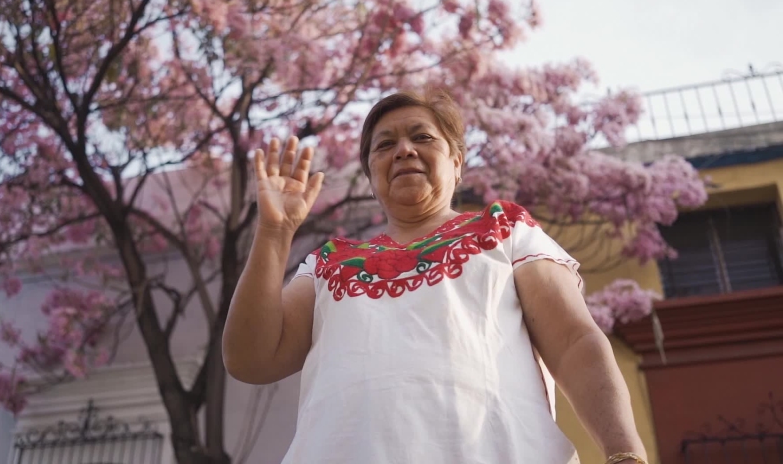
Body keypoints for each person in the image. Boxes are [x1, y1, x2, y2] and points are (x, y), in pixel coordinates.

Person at [223, 89, 648, 464]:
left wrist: (625, 454)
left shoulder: (505, 230)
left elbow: (576, 342)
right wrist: (274, 233)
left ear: (457, 162)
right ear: (372, 177)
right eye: (384, 145)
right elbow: (251, 359)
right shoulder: (330, 263)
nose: (403, 150)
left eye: (422, 137)